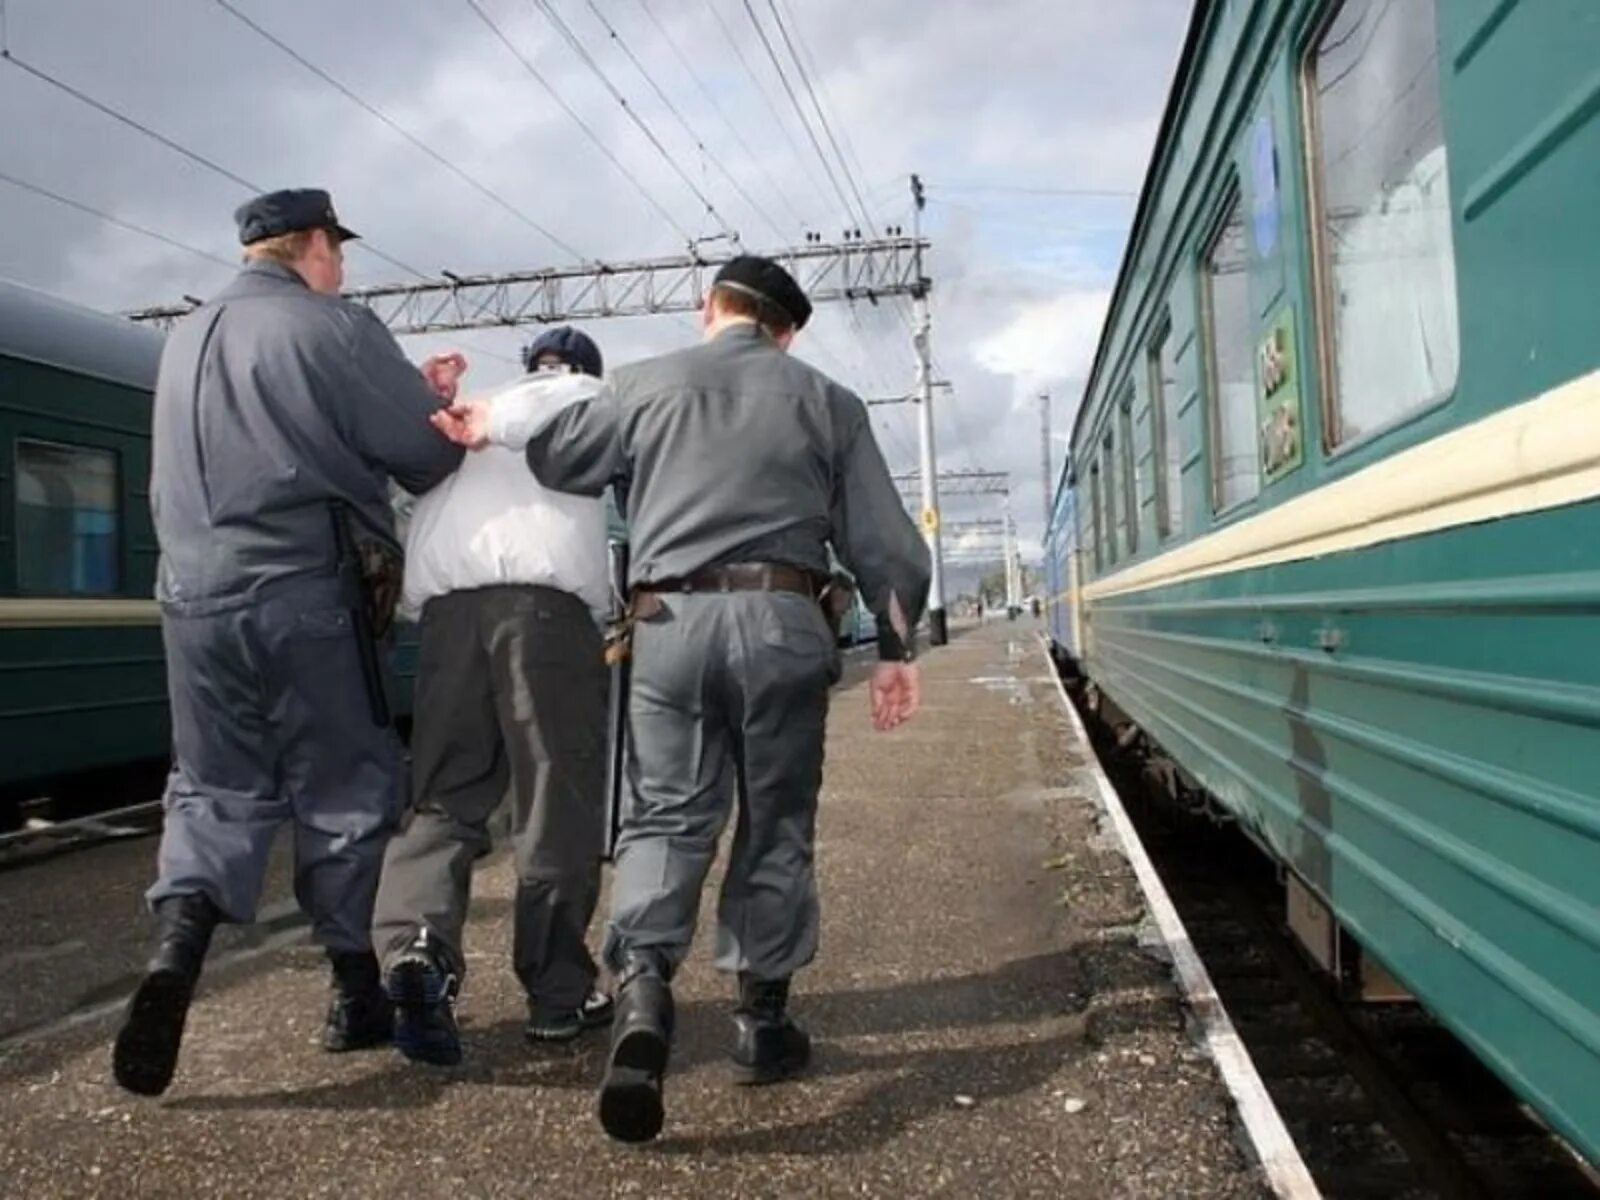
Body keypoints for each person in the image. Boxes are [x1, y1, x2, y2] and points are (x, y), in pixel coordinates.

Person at [433, 255, 930, 1143]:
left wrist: (511, 419)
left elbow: (561, 456)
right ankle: (760, 1025)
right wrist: (895, 651)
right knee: (775, 822)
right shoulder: (827, 400)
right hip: (784, 620)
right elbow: (885, 542)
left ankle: (645, 1001)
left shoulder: (641, 384)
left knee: (665, 817)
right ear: (787, 331)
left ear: (711, 310)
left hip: (669, 624)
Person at [113, 189, 466, 1097]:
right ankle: (355, 996)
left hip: (190, 600)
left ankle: (176, 952)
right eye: (337, 251)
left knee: (211, 785)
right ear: (312, 246)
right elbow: (426, 460)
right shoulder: (335, 327)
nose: (342, 269)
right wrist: (434, 406)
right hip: (305, 594)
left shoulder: (182, 340)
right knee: (345, 788)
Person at [370, 326, 615, 1068]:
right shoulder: (577, 398)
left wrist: (435, 400)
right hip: (542, 620)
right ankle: (557, 995)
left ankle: (417, 950)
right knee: (553, 800)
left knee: (442, 796)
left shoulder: (455, 418)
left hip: (447, 623)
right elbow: (573, 392)